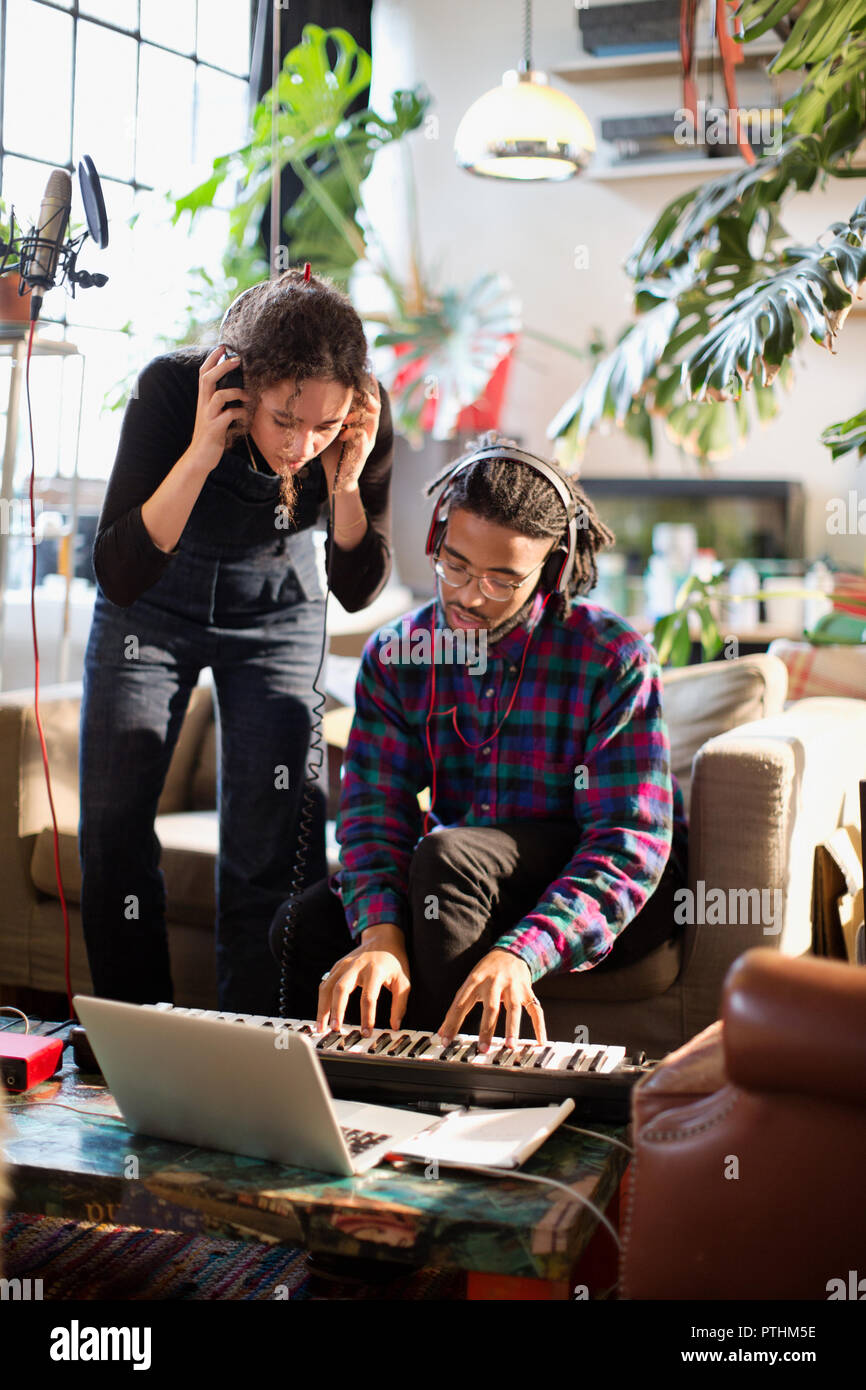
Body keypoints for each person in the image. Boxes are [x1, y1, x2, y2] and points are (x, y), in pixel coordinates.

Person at [268, 439, 688, 1048]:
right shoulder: (397, 654)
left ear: (554, 567)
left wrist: (523, 952)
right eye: (456, 566)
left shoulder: (613, 657)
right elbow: (372, 814)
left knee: (446, 858)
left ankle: (442, 1102)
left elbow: (630, 843)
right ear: (437, 536)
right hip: (464, 882)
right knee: (300, 926)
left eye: (501, 580)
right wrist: (380, 933)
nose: (468, 595)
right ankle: (318, 1101)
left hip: (601, 879)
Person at [79, 267, 394, 1015]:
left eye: (323, 424)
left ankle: (252, 1048)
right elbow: (119, 572)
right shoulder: (171, 390)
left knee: (272, 840)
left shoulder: (355, 429)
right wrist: (199, 450)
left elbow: (359, 586)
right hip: (151, 605)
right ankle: (140, 1042)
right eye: (285, 419)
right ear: (244, 385)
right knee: (114, 830)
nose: (301, 443)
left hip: (277, 611)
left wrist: (345, 482)